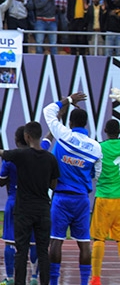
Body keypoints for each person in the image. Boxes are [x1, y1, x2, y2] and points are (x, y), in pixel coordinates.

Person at [43, 92, 101, 285]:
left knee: (56, 240)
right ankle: (84, 282)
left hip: (61, 198)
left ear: (71, 123)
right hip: (82, 199)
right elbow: (97, 174)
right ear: (85, 125)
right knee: (84, 243)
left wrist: (68, 100)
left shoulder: (64, 135)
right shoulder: (95, 147)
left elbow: (48, 111)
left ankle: (53, 282)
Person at [0, 122, 59, 285]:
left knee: (20, 251)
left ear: (26, 137)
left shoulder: (20, 156)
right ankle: (40, 281)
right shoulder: (50, 158)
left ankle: (16, 280)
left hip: (23, 209)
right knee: (43, 250)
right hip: (43, 209)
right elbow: (53, 185)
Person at [90, 119, 120, 285]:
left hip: (104, 196)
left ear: (106, 131)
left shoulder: (100, 147)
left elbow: (93, 170)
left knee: (99, 239)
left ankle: (95, 278)